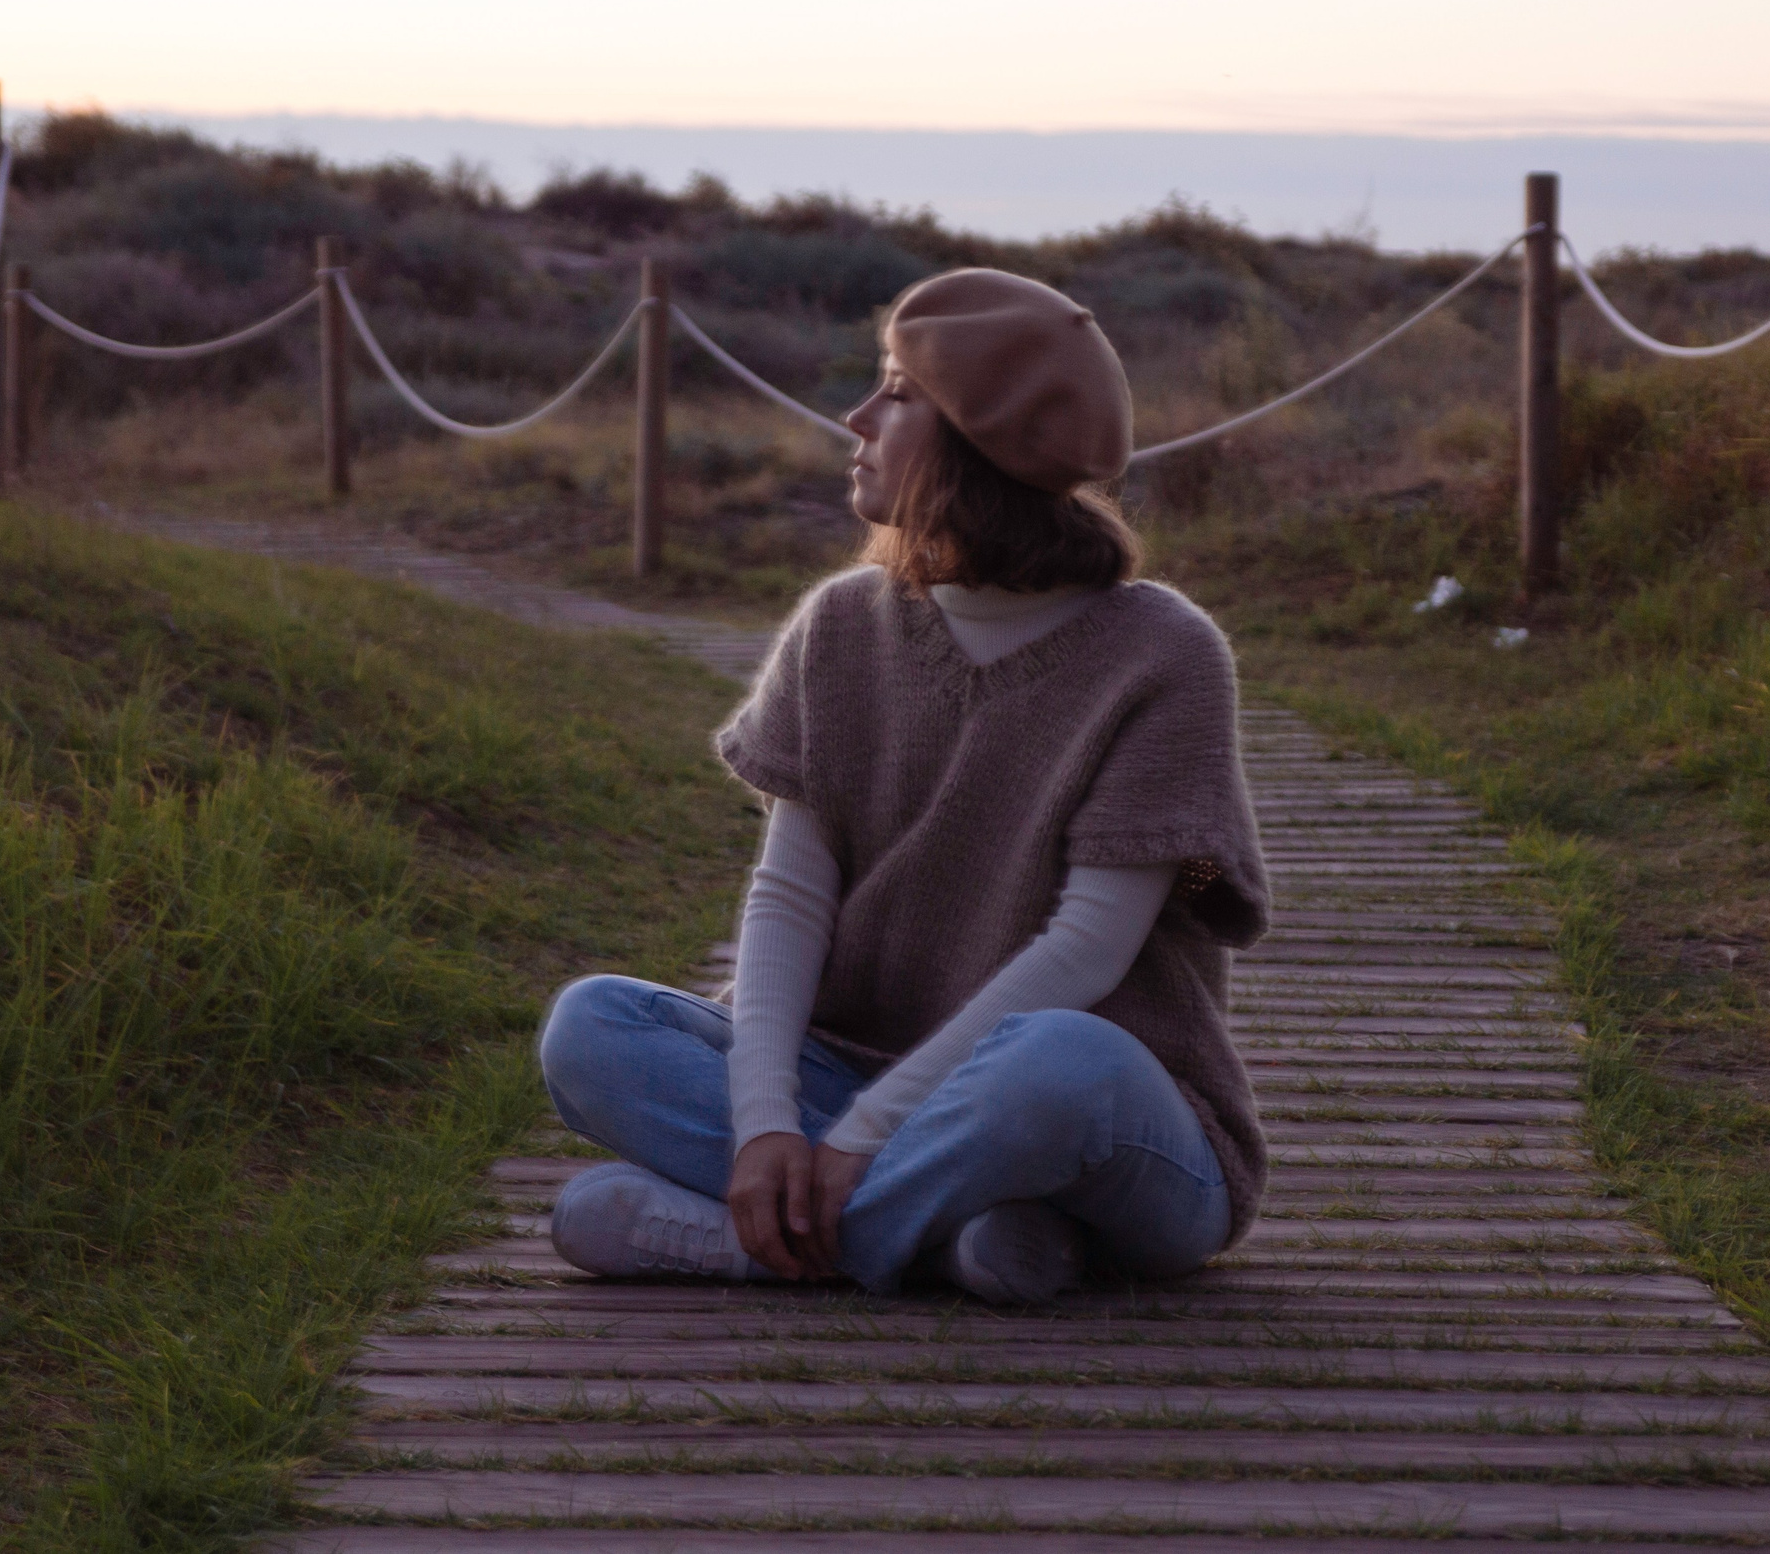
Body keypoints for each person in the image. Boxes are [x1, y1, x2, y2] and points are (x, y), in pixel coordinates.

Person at [536, 267, 1268, 1304]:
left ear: (981, 435)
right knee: (591, 1026)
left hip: (1111, 1122)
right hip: (857, 1075)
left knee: (1061, 1063)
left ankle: (748, 1245)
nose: (858, 415)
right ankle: (967, 1235)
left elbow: (1086, 951)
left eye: (898, 391)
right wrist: (767, 1128)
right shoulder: (841, 625)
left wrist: (858, 1141)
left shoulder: (1161, 654)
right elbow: (788, 896)